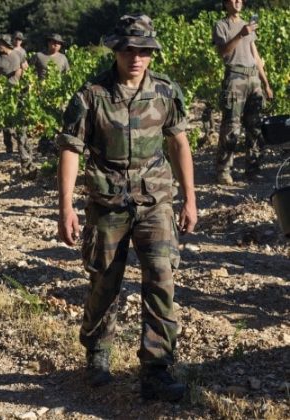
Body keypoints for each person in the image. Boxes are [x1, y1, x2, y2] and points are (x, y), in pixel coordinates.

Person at [57, 14, 197, 402]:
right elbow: (71, 149)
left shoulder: (167, 93)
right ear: (116, 50)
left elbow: (179, 143)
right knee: (105, 282)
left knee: (161, 277)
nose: (136, 58)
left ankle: (156, 370)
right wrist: (65, 207)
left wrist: (190, 197)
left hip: (155, 201)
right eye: (128, 50)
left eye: (144, 51)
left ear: (152, 54)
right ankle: (97, 350)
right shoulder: (91, 96)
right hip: (107, 205)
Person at [213, 0, 273, 185]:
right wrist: (240, 34)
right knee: (231, 126)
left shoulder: (248, 25)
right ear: (226, 3)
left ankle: (252, 170)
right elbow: (223, 52)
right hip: (235, 77)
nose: (238, 2)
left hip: (253, 78)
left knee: (254, 127)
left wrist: (266, 83)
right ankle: (224, 171)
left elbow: (255, 56)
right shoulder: (221, 25)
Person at [0, 34, 36, 175]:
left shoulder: (18, 55)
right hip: (5, 96)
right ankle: (18, 151)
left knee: (21, 127)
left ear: (6, 43)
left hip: (20, 94)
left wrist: (25, 83)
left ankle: (26, 156)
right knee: (10, 127)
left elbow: (26, 70)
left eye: (0, 43)